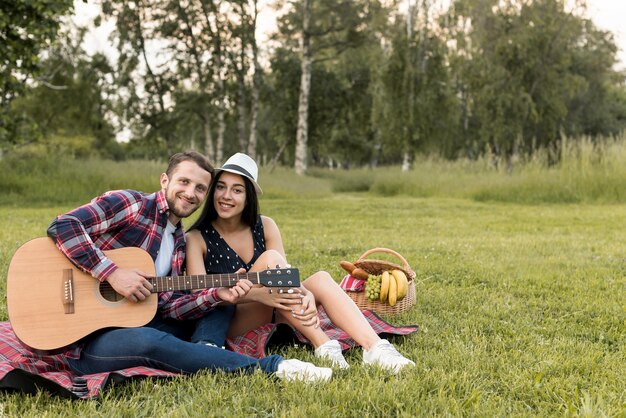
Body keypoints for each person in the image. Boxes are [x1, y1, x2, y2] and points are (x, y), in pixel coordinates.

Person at [46, 151, 332, 383]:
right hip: (84, 339)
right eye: (183, 182)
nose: (190, 193)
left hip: (137, 318)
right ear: (164, 181)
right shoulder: (132, 204)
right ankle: (275, 368)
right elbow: (63, 225)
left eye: (200, 188)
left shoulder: (179, 242)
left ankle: (207, 351)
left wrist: (215, 296)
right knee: (149, 341)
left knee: (217, 302)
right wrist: (112, 273)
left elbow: (169, 306)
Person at [186, 153, 415, 374]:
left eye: (237, 190)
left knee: (321, 279)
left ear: (248, 198)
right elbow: (199, 295)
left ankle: (375, 348)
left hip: (277, 306)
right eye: (221, 186)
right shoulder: (197, 238)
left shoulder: (265, 226)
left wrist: (303, 292)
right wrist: (260, 296)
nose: (226, 196)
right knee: (270, 259)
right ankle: (324, 344)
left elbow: (283, 276)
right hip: (233, 318)